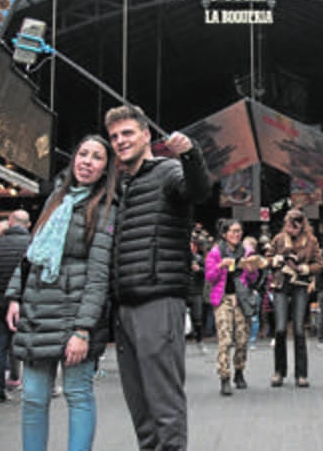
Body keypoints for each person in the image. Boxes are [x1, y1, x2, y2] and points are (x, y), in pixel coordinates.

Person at [105, 105, 210, 450]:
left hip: (158, 300)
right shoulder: (122, 185)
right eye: (115, 136)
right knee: (142, 411)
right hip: (126, 307)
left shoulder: (167, 171)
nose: (120, 141)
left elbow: (198, 191)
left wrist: (191, 154)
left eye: (128, 133)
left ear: (147, 135)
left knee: (163, 406)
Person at [6, 135, 117, 451]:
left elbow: (99, 276)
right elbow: (31, 253)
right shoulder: (56, 198)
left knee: (78, 393)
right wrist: (15, 295)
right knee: (33, 398)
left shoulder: (106, 207)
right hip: (38, 311)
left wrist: (83, 329)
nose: (87, 161)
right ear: (73, 159)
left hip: (74, 316)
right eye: (83, 153)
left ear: (105, 169)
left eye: (97, 157)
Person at [266, 208, 323, 388]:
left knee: (299, 329)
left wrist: (305, 268)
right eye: (288, 226)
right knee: (280, 328)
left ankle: (301, 374)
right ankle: (279, 371)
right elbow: (267, 259)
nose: (290, 230)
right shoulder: (278, 239)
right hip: (281, 284)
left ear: (301, 226)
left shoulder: (311, 241)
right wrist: (276, 259)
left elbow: (320, 264)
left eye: (294, 227)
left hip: (300, 285)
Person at [0, 209, 31, 404]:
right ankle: (35, 388)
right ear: (27, 225)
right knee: (30, 345)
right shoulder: (31, 244)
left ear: (10, 223)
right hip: (25, 301)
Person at [205, 219, 260, 395]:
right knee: (225, 338)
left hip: (241, 298)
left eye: (239, 231)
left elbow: (253, 279)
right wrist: (221, 266)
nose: (236, 234)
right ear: (224, 234)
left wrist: (252, 269)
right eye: (233, 231)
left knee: (242, 338)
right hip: (223, 299)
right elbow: (210, 277)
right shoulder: (215, 253)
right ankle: (224, 377)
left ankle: (239, 370)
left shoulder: (247, 252)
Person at [186, 237, 208, 353]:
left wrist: (199, 270)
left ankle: (200, 341)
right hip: (183, 292)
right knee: (179, 319)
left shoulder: (198, 259)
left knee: (198, 319)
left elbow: (206, 273)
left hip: (196, 292)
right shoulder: (180, 259)